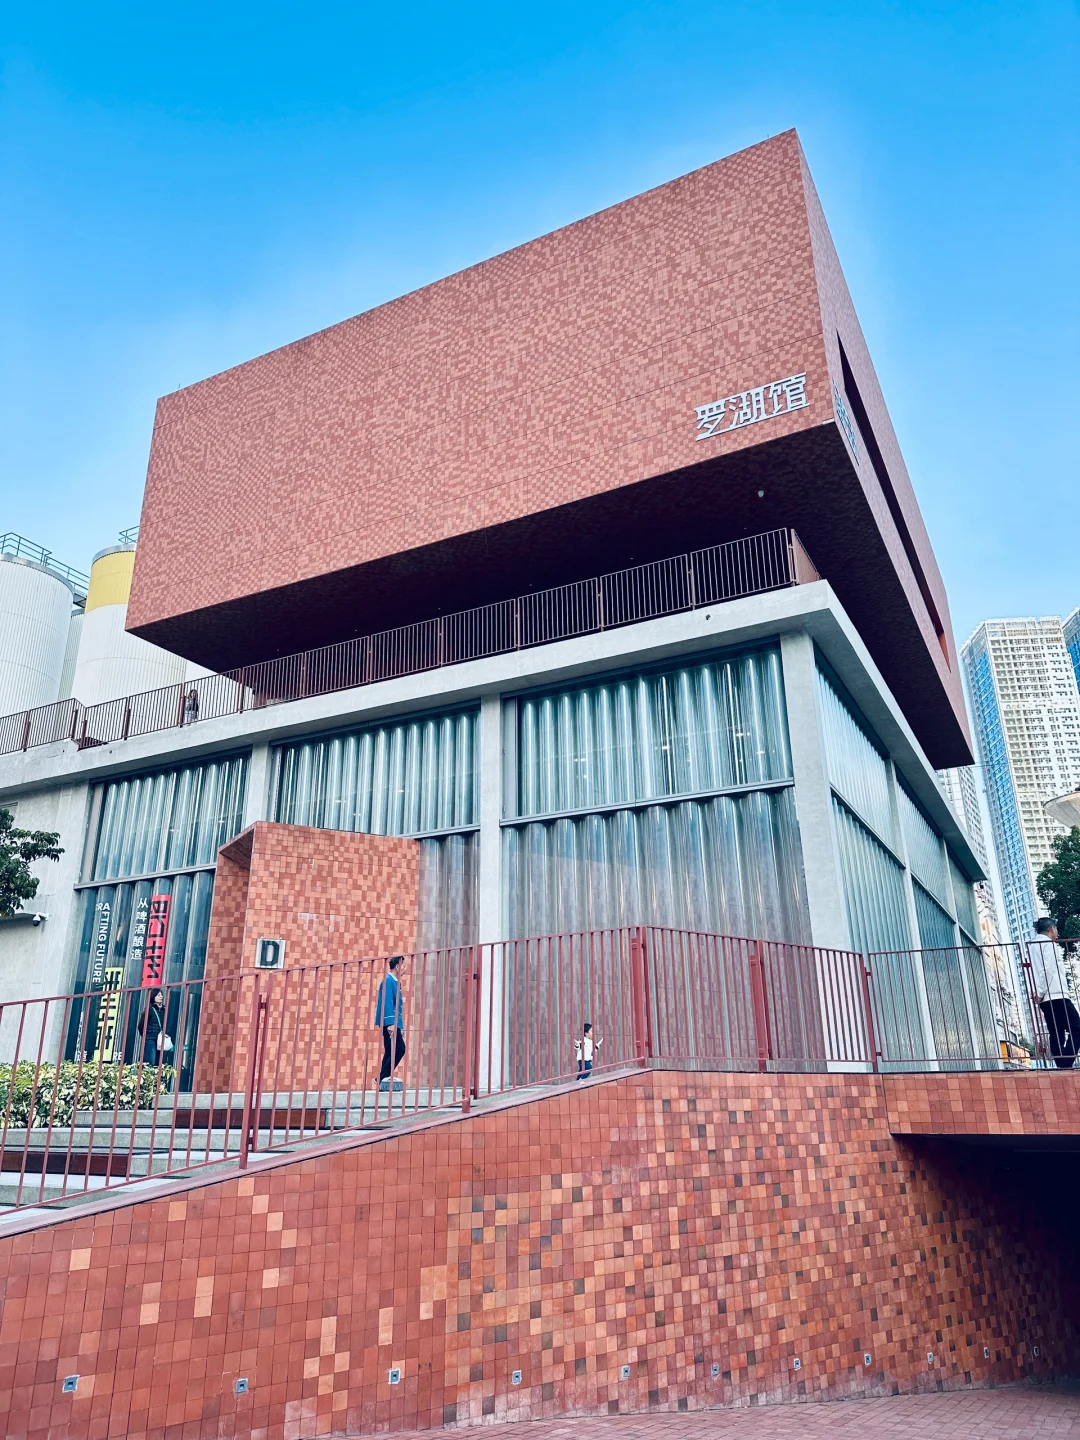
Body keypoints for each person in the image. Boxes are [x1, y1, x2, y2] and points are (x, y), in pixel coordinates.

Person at [1030, 918, 1079, 1069]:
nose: (1057, 933)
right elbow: (1048, 969)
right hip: (1056, 995)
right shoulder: (1048, 944)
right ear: (1052, 928)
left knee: (1056, 1032)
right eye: (1056, 929)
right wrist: (1040, 991)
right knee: (1077, 1028)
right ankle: (1065, 1064)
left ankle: (1061, 1065)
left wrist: (1038, 992)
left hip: (1045, 999)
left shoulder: (1032, 945)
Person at [374, 956, 406, 1091]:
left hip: (394, 1022)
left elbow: (398, 1008)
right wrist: (391, 1023)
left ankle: (382, 1081)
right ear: (397, 967)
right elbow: (387, 1003)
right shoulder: (388, 981)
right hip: (390, 1023)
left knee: (390, 1051)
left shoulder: (395, 982)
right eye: (403, 966)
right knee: (399, 1049)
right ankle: (382, 1078)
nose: (404, 969)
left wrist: (400, 1026)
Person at [138, 989, 173, 1064]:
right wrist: (146, 1035)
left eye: (161, 995)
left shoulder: (164, 1010)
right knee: (150, 1060)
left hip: (161, 1039)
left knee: (159, 1062)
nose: (161, 997)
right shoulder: (149, 1009)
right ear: (153, 997)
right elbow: (141, 1025)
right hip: (151, 1039)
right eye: (158, 995)